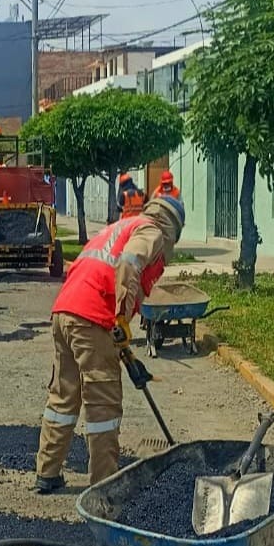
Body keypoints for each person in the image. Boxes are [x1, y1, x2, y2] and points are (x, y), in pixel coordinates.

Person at [35, 195, 185, 493]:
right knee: (103, 405)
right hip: (93, 316)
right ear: (172, 229)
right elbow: (130, 264)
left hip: (65, 310)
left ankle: (47, 472)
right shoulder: (152, 231)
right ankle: (104, 486)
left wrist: (122, 346)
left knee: (64, 397)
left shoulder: (122, 225)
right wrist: (121, 317)